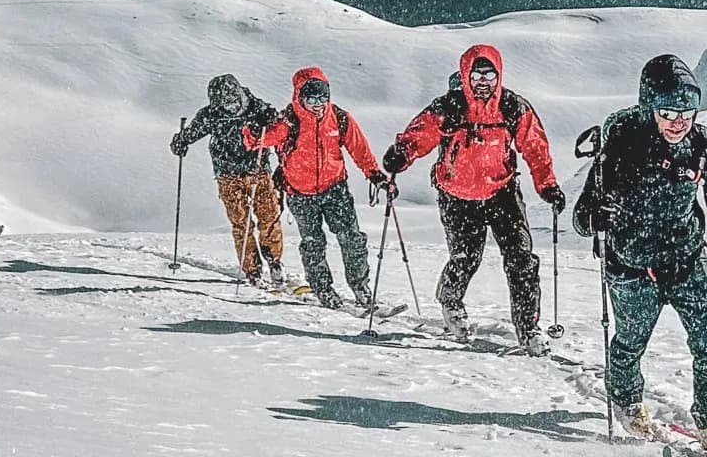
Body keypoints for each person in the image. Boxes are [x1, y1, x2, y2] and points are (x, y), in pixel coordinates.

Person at [576, 54, 707, 457]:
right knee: (631, 341)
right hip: (632, 267)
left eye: (687, 111)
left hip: (687, 260)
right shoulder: (620, 148)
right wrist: (596, 215)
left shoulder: (701, 144)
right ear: (649, 107)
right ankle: (627, 398)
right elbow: (582, 218)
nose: (678, 121)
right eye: (668, 111)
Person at [383, 45, 563, 352]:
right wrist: (403, 153)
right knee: (466, 258)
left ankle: (528, 328)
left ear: (499, 75)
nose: (483, 81)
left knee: (521, 259)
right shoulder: (450, 106)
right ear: (466, 76)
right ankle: (450, 300)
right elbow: (421, 132)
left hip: (502, 190)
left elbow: (535, 148)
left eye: (489, 75)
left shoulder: (512, 107)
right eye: (477, 75)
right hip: (457, 194)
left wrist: (547, 185)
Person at [243, 67, 387, 310]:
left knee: (352, 238)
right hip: (300, 194)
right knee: (313, 242)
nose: (318, 104)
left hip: (335, 189)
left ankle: (360, 285)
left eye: (323, 97)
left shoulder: (339, 118)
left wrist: (374, 175)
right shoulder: (288, 121)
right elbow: (257, 141)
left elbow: (358, 148)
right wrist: (255, 129)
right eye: (312, 99)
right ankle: (323, 289)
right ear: (300, 96)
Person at [171, 74, 285, 288]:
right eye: (225, 103)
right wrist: (180, 142)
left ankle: (274, 259)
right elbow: (192, 133)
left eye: (233, 101)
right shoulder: (210, 115)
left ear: (240, 95)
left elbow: (276, 124)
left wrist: (270, 118)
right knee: (241, 222)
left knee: (269, 215)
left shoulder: (256, 107)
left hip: (258, 169)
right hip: (227, 175)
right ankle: (252, 269)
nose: (231, 107)